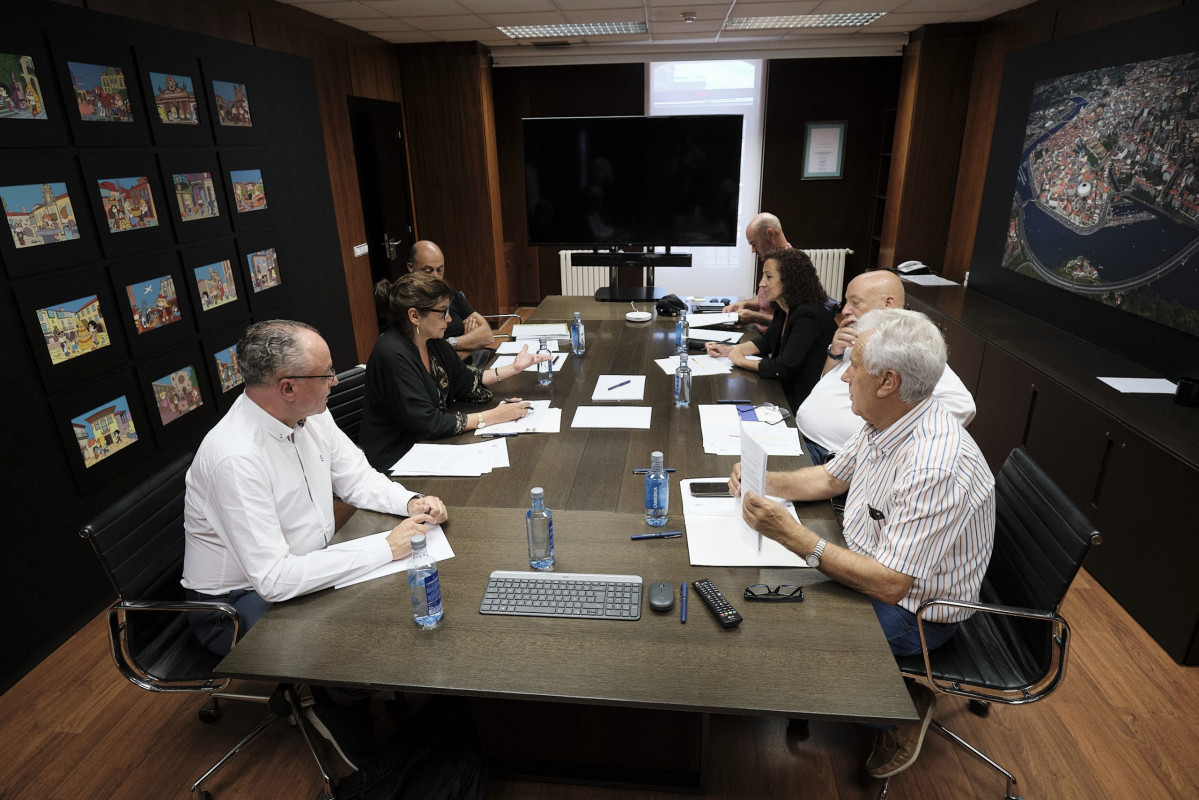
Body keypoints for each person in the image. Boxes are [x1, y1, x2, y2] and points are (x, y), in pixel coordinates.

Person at [728, 308, 996, 780]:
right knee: (767, 598)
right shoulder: (890, 419)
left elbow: (891, 585)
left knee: (780, 630)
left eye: (855, 366)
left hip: (917, 614)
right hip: (877, 568)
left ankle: (899, 710)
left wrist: (793, 536)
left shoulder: (934, 465)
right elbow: (833, 477)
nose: (845, 376)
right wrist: (765, 482)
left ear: (888, 381)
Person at [181, 319, 450, 768]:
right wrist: (386, 546)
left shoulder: (310, 416)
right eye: (325, 374)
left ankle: (351, 691)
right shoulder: (235, 457)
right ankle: (338, 723)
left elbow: (358, 479)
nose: (335, 381)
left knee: (389, 605)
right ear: (287, 387)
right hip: (232, 604)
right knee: (351, 639)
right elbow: (274, 580)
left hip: (305, 564)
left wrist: (411, 502)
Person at [361, 273, 550, 472]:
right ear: (414, 316)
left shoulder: (432, 341)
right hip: (397, 459)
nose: (449, 319)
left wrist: (514, 368)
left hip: (429, 446)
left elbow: (465, 381)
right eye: (442, 312)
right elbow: (428, 423)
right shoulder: (392, 354)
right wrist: (492, 416)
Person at [796, 270, 976, 464]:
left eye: (855, 303)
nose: (845, 310)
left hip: (833, 456)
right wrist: (835, 354)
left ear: (888, 304)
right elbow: (831, 383)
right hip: (804, 438)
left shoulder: (909, 347)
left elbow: (963, 406)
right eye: (846, 302)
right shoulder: (861, 333)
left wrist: (887, 438)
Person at [704, 247, 836, 413]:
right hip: (783, 388)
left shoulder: (809, 317)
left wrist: (741, 361)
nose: (762, 283)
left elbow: (783, 368)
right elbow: (767, 341)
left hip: (801, 400)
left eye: (769, 276)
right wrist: (730, 350)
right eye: (763, 275)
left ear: (790, 280)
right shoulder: (785, 306)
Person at [407, 240, 494, 356]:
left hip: (476, 359)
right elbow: (435, 364)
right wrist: (471, 342)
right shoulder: (408, 304)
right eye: (428, 271)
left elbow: (487, 335)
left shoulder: (451, 294)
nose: (436, 277)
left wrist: (452, 342)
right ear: (411, 268)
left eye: (439, 270)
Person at [722, 212, 791, 331]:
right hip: (763, 335)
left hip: (773, 339)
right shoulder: (772, 261)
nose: (753, 250)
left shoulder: (791, 266)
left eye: (754, 244)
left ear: (770, 234)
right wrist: (744, 304)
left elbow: (791, 321)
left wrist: (755, 317)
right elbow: (764, 300)